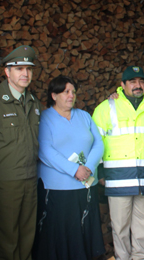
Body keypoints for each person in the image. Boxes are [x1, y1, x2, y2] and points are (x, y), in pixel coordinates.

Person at [92, 65, 144, 260]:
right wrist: (99, 172)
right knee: (119, 226)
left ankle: (140, 257)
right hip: (118, 179)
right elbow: (95, 142)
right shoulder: (106, 108)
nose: (138, 85)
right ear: (123, 84)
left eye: (141, 81)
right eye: (133, 82)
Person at [0, 45, 42, 260]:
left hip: (30, 177)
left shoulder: (33, 102)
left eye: (29, 69)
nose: (25, 74)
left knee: (27, 235)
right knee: (8, 238)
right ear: (7, 72)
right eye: (19, 69)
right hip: (4, 181)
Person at [33, 76, 105, 260]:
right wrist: (74, 170)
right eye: (66, 92)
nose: (71, 95)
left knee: (85, 228)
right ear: (54, 95)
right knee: (60, 233)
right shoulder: (45, 118)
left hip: (86, 183)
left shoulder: (84, 116)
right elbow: (45, 149)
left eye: (73, 91)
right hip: (57, 188)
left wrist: (88, 167)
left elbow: (99, 143)